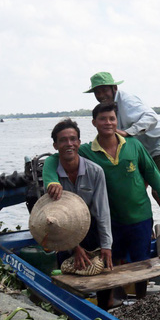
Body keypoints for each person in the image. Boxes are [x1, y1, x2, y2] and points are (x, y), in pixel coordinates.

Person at [42, 102, 160, 297]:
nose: (108, 123)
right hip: (112, 220)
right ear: (94, 123)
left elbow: (151, 172)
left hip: (140, 217)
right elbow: (54, 158)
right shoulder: (86, 151)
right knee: (110, 263)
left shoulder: (134, 144)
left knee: (142, 264)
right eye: (103, 119)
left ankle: (141, 301)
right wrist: (51, 180)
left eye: (112, 119)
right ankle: (116, 301)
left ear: (117, 122)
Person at [43, 118, 114, 308]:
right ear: (55, 145)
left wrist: (107, 245)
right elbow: (54, 218)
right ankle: (72, 312)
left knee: (102, 275)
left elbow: (102, 212)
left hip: (90, 229)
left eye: (73, 139)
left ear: (79, 143)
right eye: (63, 140)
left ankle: (104, 309)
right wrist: (74, 247)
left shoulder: (95, 172)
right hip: (62, 232)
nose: (69, 144)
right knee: (69, 277)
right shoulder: (52, 176)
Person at [83, 72, 160, 194]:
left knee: (158, 192)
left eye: (104, 90)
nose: (101, 95)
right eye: (97, 92)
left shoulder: (127, 101)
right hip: (143, 151)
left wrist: (127, 132)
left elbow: (151, 117)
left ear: (115, 88)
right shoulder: (110, 108)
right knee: (136, 190)